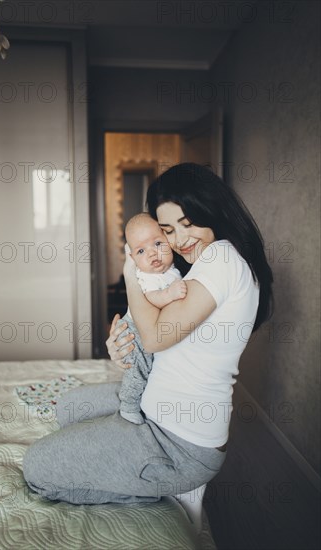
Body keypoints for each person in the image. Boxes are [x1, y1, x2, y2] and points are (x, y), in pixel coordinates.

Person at [23, 163, 273, 530]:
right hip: (154, 404)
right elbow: (153, 339)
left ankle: (158, 496)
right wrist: (122, 344)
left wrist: (130, 278)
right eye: (168, 230)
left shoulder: (221, 258)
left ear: (212, 210)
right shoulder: (197, 266)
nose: (180, 239)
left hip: (177, 443)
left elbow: (156, 335)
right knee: (69, 407)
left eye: (188, 223)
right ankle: (131, 464)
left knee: (37, 468)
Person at [117, 212, 186, 425]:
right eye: (140, 251)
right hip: (134, 328)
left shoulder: (172, 271)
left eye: (157, 243)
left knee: (149, 368)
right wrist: (169, 295)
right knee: (139, 367)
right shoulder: (145, 277)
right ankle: (128, 405)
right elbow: (150, 298)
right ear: (133, 258)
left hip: (149, 328)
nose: (152, 254)